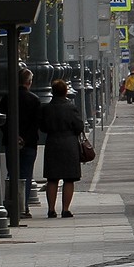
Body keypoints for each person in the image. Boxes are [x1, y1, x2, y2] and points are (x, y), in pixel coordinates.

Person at [40, 78, 87, 218]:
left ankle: (51, 209)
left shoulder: (46, 108)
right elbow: (79, 126)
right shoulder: (70, 107)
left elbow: (42, 127)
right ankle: (65, 209)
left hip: (53, 143)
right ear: (65, 91)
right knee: (69, 178)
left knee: (52, 178)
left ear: (53, 92)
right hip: (69, 144)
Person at [0, 67, 43, 218]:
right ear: (29, 82)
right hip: (29, 143)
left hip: (11, 141)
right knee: (26, 174)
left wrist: (14, 136)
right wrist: (24, 138)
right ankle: (23, 207)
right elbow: (36, 123)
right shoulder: (34, 100)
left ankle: (11, 205)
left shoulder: (6, 98)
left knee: (12, 173)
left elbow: (3, 121)